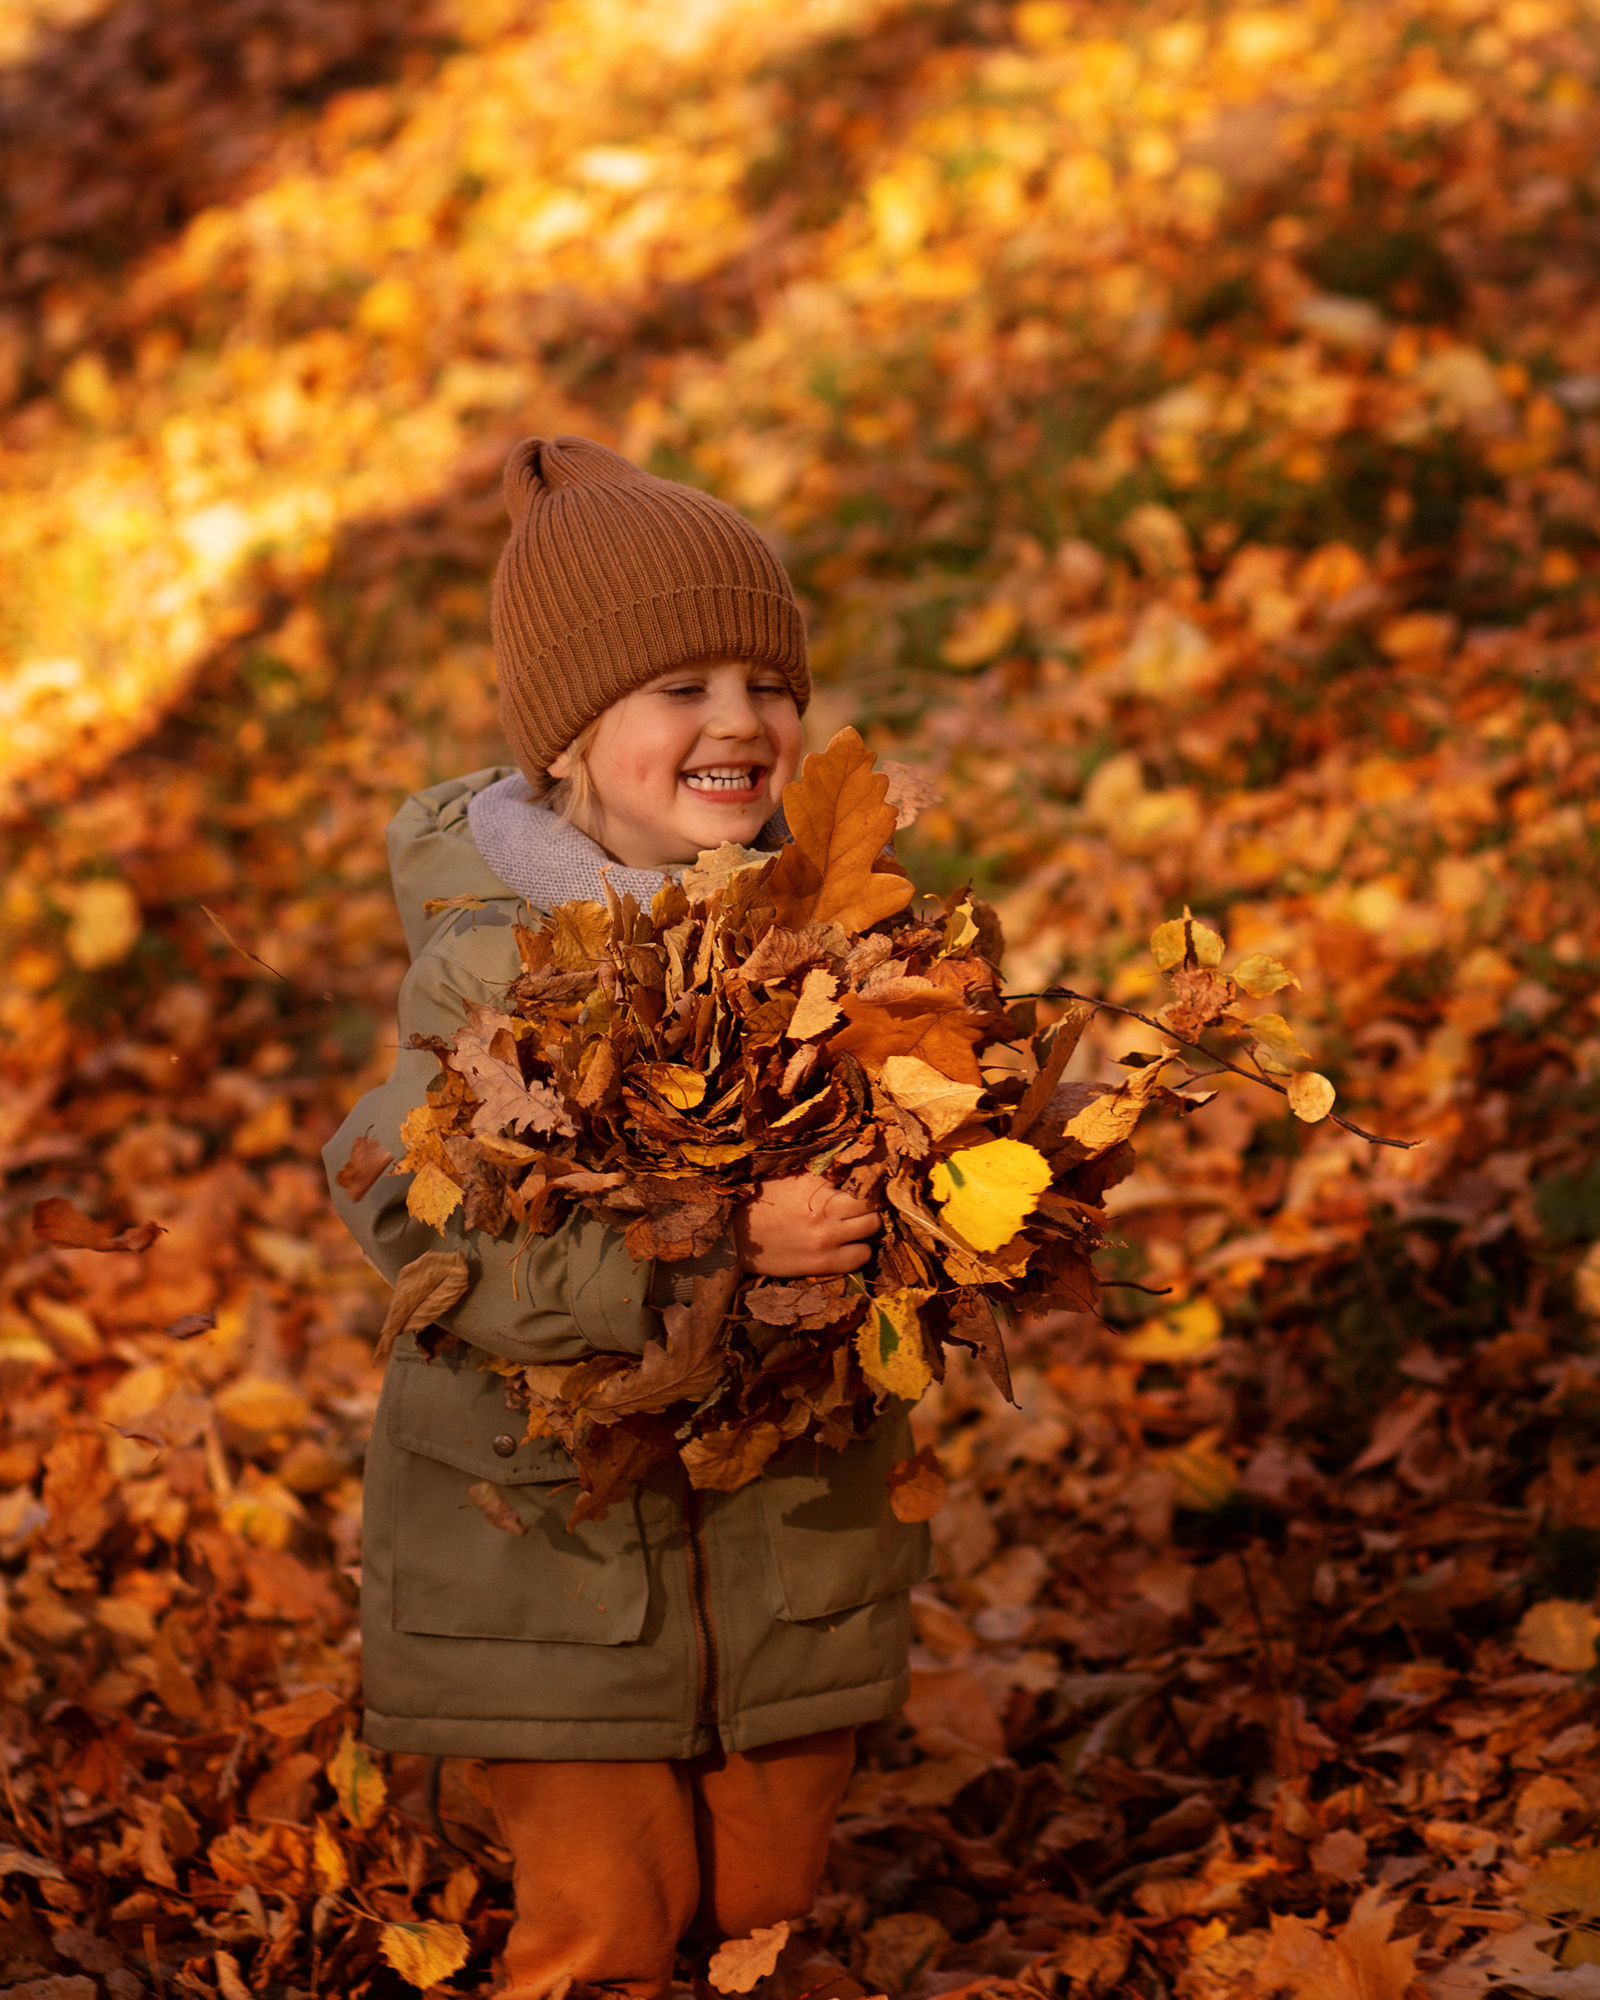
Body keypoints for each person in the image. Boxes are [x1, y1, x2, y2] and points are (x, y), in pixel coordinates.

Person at [324, 436, 934, 2000]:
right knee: (606, 1927)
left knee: (764, 1902)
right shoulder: (486, 968)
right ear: (567, 749)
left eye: (766, 681)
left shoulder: (833, 935)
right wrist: (723, 1253)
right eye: (680, 688)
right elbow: (429, 1232)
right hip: (558, 1566)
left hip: (788, 1553)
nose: (739, 718)